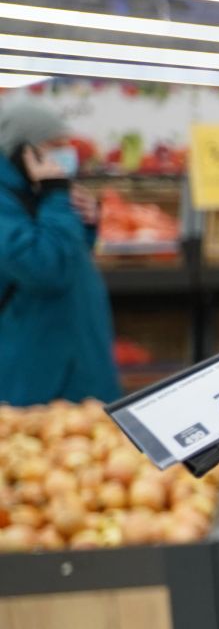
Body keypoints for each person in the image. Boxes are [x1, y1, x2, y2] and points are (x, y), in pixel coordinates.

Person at [0, 97, 117, 405]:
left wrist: (86, 222)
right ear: (22, 151)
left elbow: (69, 259)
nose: (63, 155)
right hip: (34, 378)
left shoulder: (35, 193)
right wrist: (56, 199)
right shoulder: (8, 202)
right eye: (53, 146)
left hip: (77, 363)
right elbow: (45, 268)